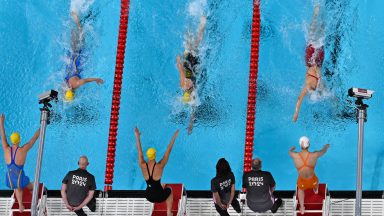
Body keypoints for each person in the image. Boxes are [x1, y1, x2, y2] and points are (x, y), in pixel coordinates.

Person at [134, 127, 179, 216]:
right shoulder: (159, 165)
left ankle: (160, 187)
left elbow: (139, 152)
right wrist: (174, 137)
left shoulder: (143, 165)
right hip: (159, 197)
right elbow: (168, 151)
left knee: (154, 185)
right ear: (155, 155)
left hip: (148, 196)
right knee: (169, 189)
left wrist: (137, 137)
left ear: (148, 156)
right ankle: (169, 212)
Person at [0, 114, 39, 212]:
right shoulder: (23, 150)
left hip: (9, 178)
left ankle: (21, 206)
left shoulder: (5, 148)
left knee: (17, 188)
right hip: (20, 178)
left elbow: (3, 136)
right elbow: (33, 140)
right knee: (32, 186)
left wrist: (1, 122)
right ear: (19, 140)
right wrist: (41, 128)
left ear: (11, 140)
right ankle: (35, 199)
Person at [293, 5, 325, 122]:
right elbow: (299, 99)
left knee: (317, 33)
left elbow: (299, 98)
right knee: (318, 33)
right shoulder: (314, 86)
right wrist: (296, 113)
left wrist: (296, 113)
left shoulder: (310, 87)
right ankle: (318, 10)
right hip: (315, 59)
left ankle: (318, 9)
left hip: (314, 59)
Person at [176, 16, 207, 134]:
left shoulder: (183, 83)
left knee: (192, 43)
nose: (190, 85)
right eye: (190, 86)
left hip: (189, 62)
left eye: (189, 87)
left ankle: (194, 21)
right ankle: (198, 21)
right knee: (195, 43)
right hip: (192, 63)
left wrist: (179, 61)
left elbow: (181, 70)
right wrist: (191, 124)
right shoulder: (190, 90)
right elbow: (193, 110)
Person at [64, 11, 104, 102]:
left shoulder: (75, 85)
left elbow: (85, 80)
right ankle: (77, 22)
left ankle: (77, 19)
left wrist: (96, 79)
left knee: (81, 38)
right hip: (70, 60)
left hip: (76, 59)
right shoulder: (66, 85)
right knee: (74, 41)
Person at [289, 136, 330, 215]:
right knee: (316, 180)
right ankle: (315, 189)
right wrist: (326, 147)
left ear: (300, 145)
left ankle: (302, 207)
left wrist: (292, 149)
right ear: (309, 145)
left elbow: (289, 152)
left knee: (300, 190)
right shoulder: (315, 154)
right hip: (312, 180)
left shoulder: (294, 155)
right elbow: (323, 151)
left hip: (302, 181)